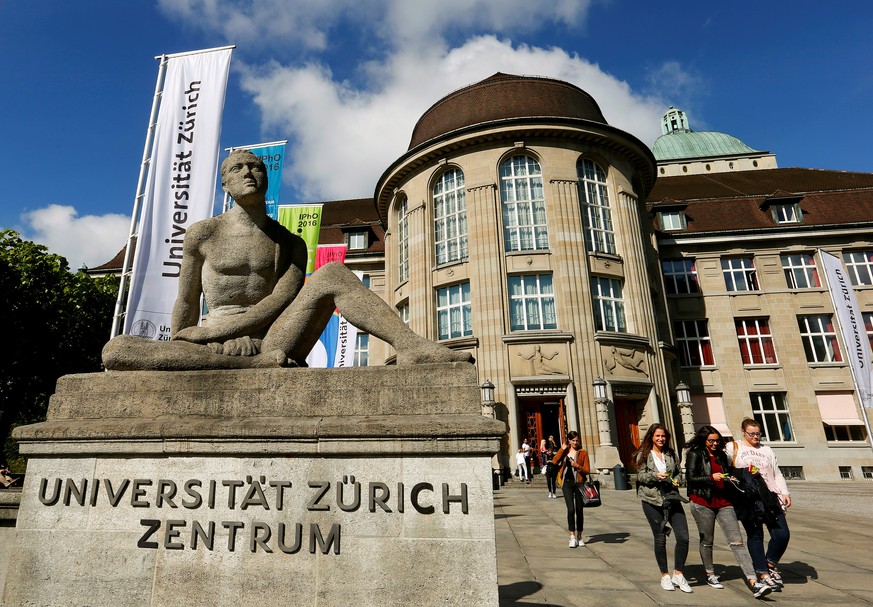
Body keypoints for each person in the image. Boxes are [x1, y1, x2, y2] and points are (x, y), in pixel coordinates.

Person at [103, 149, 471, 371]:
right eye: (238, 169)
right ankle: (235, 363)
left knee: (335, 275)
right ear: (225, 185)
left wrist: (242, 335)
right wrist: (195, 338)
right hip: (212, 338)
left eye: (256, 168)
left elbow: (278, 302)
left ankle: (410, 347)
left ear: (266, 177)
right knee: (116, 350)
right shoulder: (203, 234)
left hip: (273, 336)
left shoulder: (290, 242)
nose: (249, 172)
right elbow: (186, 300)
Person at [685, 425, 772, 599]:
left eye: (717, 440)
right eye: (711, 441)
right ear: (704, 440)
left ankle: (754, 582)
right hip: (703, 502)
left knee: (737, 542)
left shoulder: (721, 454)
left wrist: (735, 475)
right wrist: (711, 478)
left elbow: (728, 471)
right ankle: (710, 574)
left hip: (724, 502)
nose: (715, 444)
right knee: (707, 540)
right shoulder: (695, 454)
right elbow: (690, 478)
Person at [727, 418, 791, 590]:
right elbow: (726, 471)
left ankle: (769, 564)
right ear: (743, 431)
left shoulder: (767, 449)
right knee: (755, 535)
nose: (755, 437)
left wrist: (784, 492)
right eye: (751, 434)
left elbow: (776, 473)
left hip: (770, 495)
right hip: (749, 498)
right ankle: (762, 572)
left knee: (782, 534)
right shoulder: (733, 447)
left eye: (758, 433)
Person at [633, 424, 691, 593]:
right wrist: (655, 476)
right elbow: (640, 476)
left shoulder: (670, 453)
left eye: (663, 436)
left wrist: (677, 480)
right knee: (660, 538)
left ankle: (678, 573)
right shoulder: (643, 455)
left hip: (672, 498)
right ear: (651, 436)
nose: (661, 439)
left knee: (684, 537)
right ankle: (665, 575)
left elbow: (679, 473)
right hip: (652, 500)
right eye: (658, 436)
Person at [552, 430, 590, 548]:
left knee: (579, 510)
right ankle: (572, 537)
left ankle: (579, 536)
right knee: (571, 509)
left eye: (577, 440)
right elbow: (554, 461)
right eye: (573, 440)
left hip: (579, 483)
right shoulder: (565, 451)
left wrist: (577, 466)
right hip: (567, 483)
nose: (575, 442)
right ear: (569, 440)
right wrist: (562, 449)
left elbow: (587, 470)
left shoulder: (583, 452)